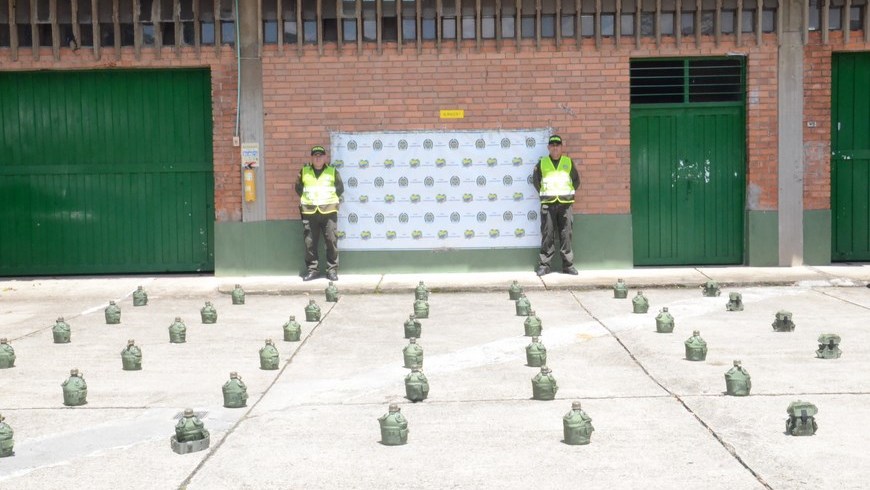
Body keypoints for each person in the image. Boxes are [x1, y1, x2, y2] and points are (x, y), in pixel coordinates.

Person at [531, 135, 579, 276]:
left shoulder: (568, 162)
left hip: (565, 204)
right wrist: (545, 194)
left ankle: (568, 265)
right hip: (548, 204)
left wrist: (568, 195)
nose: (555, 147)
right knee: (547, 235)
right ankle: (545, 265)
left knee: (566, 235)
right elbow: (536, 181)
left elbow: (576, 181)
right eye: (552, 145)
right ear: (548, 148)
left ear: (561, 147)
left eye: (558, 145)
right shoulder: (542, 163)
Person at [295, 145, 344, 281]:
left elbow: (340, 189)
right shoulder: (304, 171)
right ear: (311, 158)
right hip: (309, 212)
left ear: (325, 158)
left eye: (320, 156)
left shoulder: (333, 171)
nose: (318, 158)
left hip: (329, 211)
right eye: (315, 156)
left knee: (331, 241)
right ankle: (313, 270)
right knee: (310, 242)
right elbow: (298, 188)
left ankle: (332, 270)